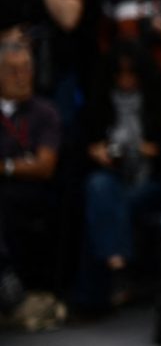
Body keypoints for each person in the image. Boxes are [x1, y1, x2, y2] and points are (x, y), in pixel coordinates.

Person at [77, 41, 161, 307]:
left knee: (111, 205)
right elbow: (82, 142)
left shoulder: (160, 98)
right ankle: (118, 264)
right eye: (119, 73)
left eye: (131, 73)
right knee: (99, 187)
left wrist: (151, 149)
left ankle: (96, 292)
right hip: (114, 176)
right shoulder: (100, 98)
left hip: (153, 178)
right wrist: (96, 151)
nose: (125, 80)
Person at [0, 29, 63, 327]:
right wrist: (18, 163)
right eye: (13, 70)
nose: (22, 77)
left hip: (34, 194)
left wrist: (7, 168)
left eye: (27, 69)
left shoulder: (45, 112)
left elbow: (44, 166)